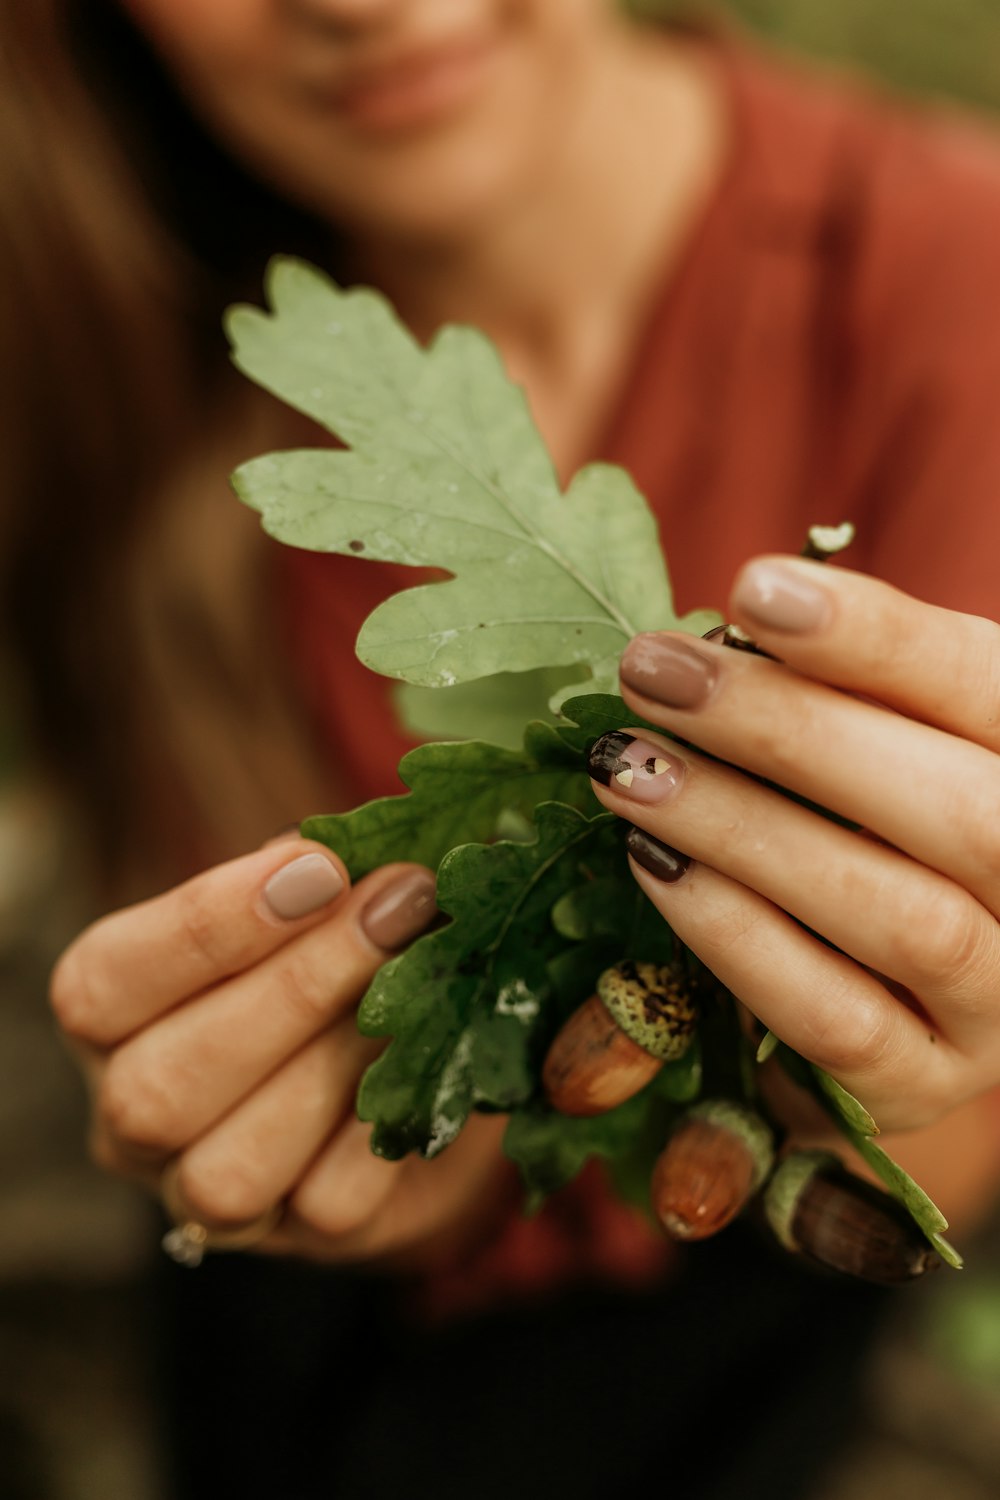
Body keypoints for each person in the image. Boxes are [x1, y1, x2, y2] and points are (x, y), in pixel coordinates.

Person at [7, 0, 1000, 1495]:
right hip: (283, 1357)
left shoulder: (956, 279)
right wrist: (248, 1104)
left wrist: (860, 1076)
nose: (353, 4)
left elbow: (925, 1146)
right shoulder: (95, 350)